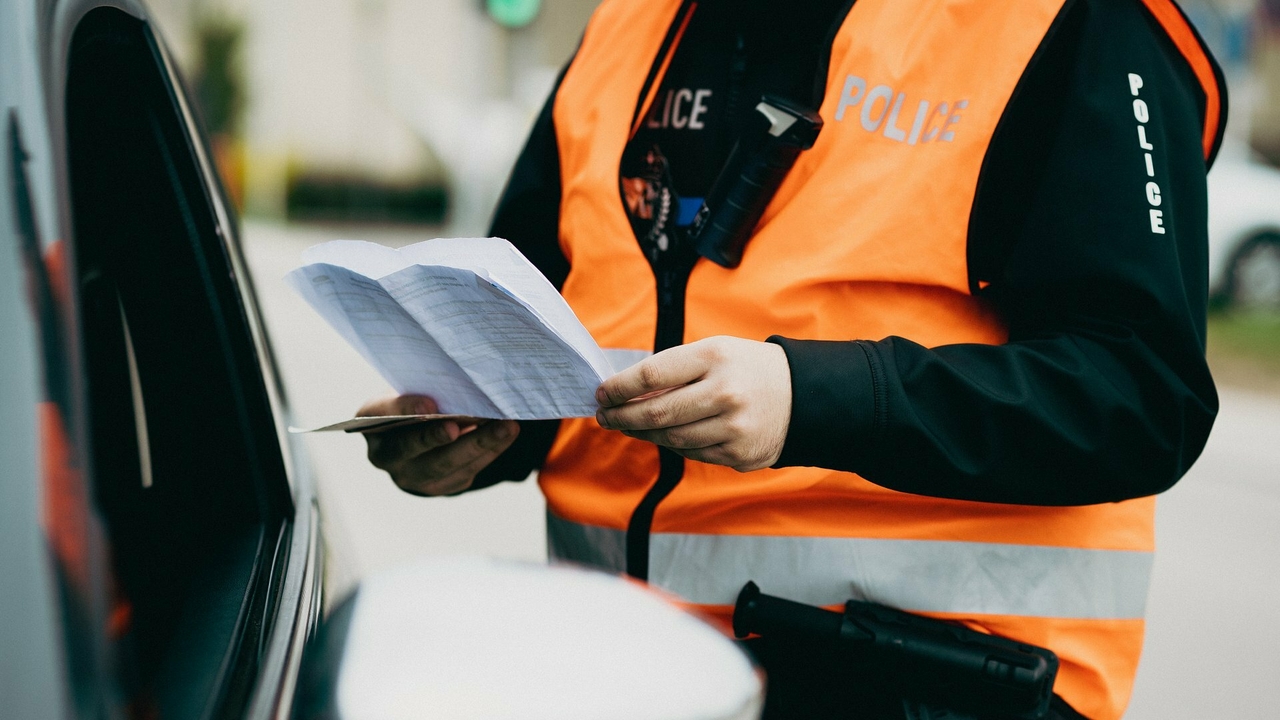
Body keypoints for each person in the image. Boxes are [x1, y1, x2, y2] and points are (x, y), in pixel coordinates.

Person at [358, 0, 1226, 717]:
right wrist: (475, 441)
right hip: (624, 675)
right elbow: (528, 332)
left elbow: (1143, 391)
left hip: (940, 686)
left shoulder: (1077, 21)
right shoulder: (626, 25)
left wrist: (812, 397)